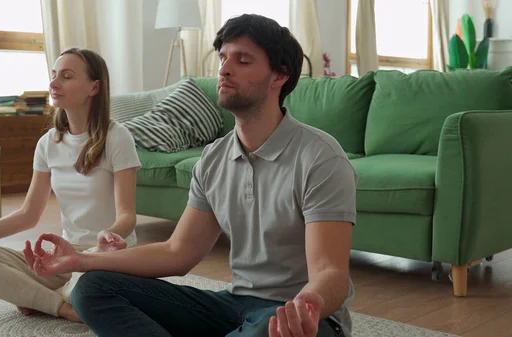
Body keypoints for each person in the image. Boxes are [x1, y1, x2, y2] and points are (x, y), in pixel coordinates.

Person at [26, 14, 357, 337]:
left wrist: (307, 305)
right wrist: (81, 260)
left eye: (243, 61)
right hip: (234, 307)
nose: (224, 69)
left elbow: (331, 272)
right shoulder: (214, 159)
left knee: (264, 328)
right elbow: (177, 252)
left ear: (279, 76)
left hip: (298, 317)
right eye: (223, 57)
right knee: (92, 288)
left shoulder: (319, 157)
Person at [0, 47, 142, 322]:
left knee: (88, 289)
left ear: (94, 87)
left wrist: (107, 237)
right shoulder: (49, 143)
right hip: (64, 259)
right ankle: (63, 307)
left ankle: (42, 298)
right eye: (53, 75)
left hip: (106, 260)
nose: (53, 83)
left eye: (66, 76)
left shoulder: (117, 137)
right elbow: (28, 215)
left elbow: (127, 216)